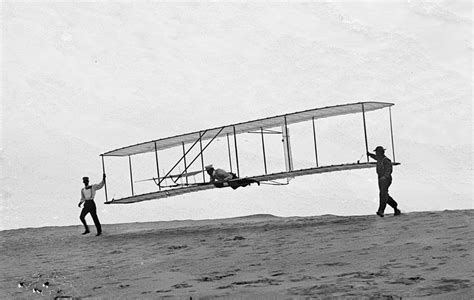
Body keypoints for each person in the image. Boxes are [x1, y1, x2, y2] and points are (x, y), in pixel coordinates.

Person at [367, 146, 401, 217]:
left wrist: (385, 177)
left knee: (383, 194)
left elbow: (389, 170)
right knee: (385, 195)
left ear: (381, 153)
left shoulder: (386, 160)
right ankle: (395, 207)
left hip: (386, 179)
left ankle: (381, 210)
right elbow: (375, 157)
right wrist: (369, 154)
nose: (376, 153)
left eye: (377, 152)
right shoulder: (379, 159)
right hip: (381, 179)